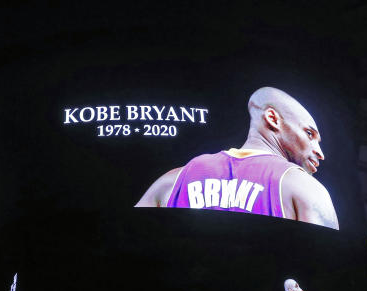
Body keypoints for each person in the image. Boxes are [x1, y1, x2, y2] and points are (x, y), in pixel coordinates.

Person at [135, 86, 339, 229]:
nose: (320, 152)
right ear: (273, 118)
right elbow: (326, 269)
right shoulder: (305, 189)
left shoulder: (173, 180)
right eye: (310, 134)